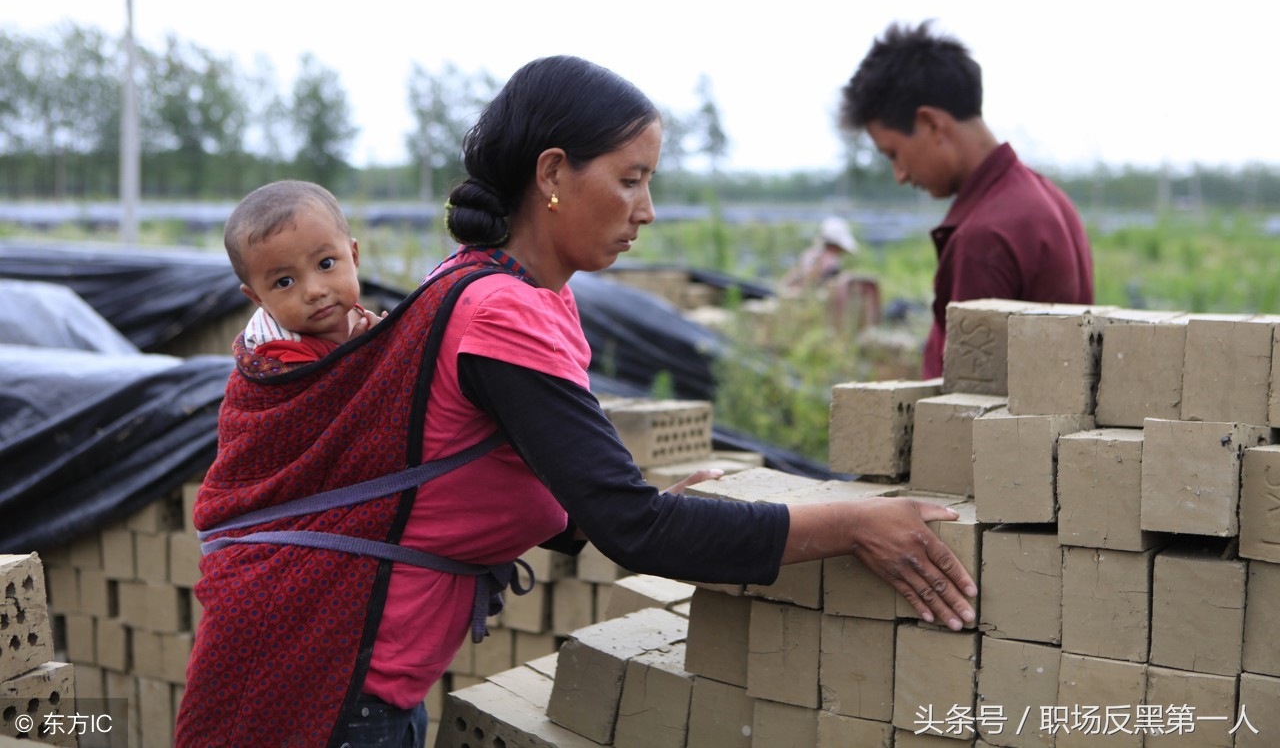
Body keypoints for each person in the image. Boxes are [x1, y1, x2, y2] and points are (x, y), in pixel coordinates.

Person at [177, 55, 976, 748]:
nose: (647, 208)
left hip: (327, 667)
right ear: (553, 174)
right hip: (327, 686)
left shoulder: (483, 283)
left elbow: (480, 470)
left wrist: (617, 504)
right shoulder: (499, 310)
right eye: (630, 178)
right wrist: (858, 523)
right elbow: (635, 529)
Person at [840, 21, 1094, 378]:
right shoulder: (1046, 199)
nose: (899, 175)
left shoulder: (984, 236)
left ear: (930, 124)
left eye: (894, 153)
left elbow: (963, 408)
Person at [223, 180, 384, 367]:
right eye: (284, 282)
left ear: (354, 256)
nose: (314, 291)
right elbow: (327, 391)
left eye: (326, 264)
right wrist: (355, 356)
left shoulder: (355, 314)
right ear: (258, 298)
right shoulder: (277, 352)